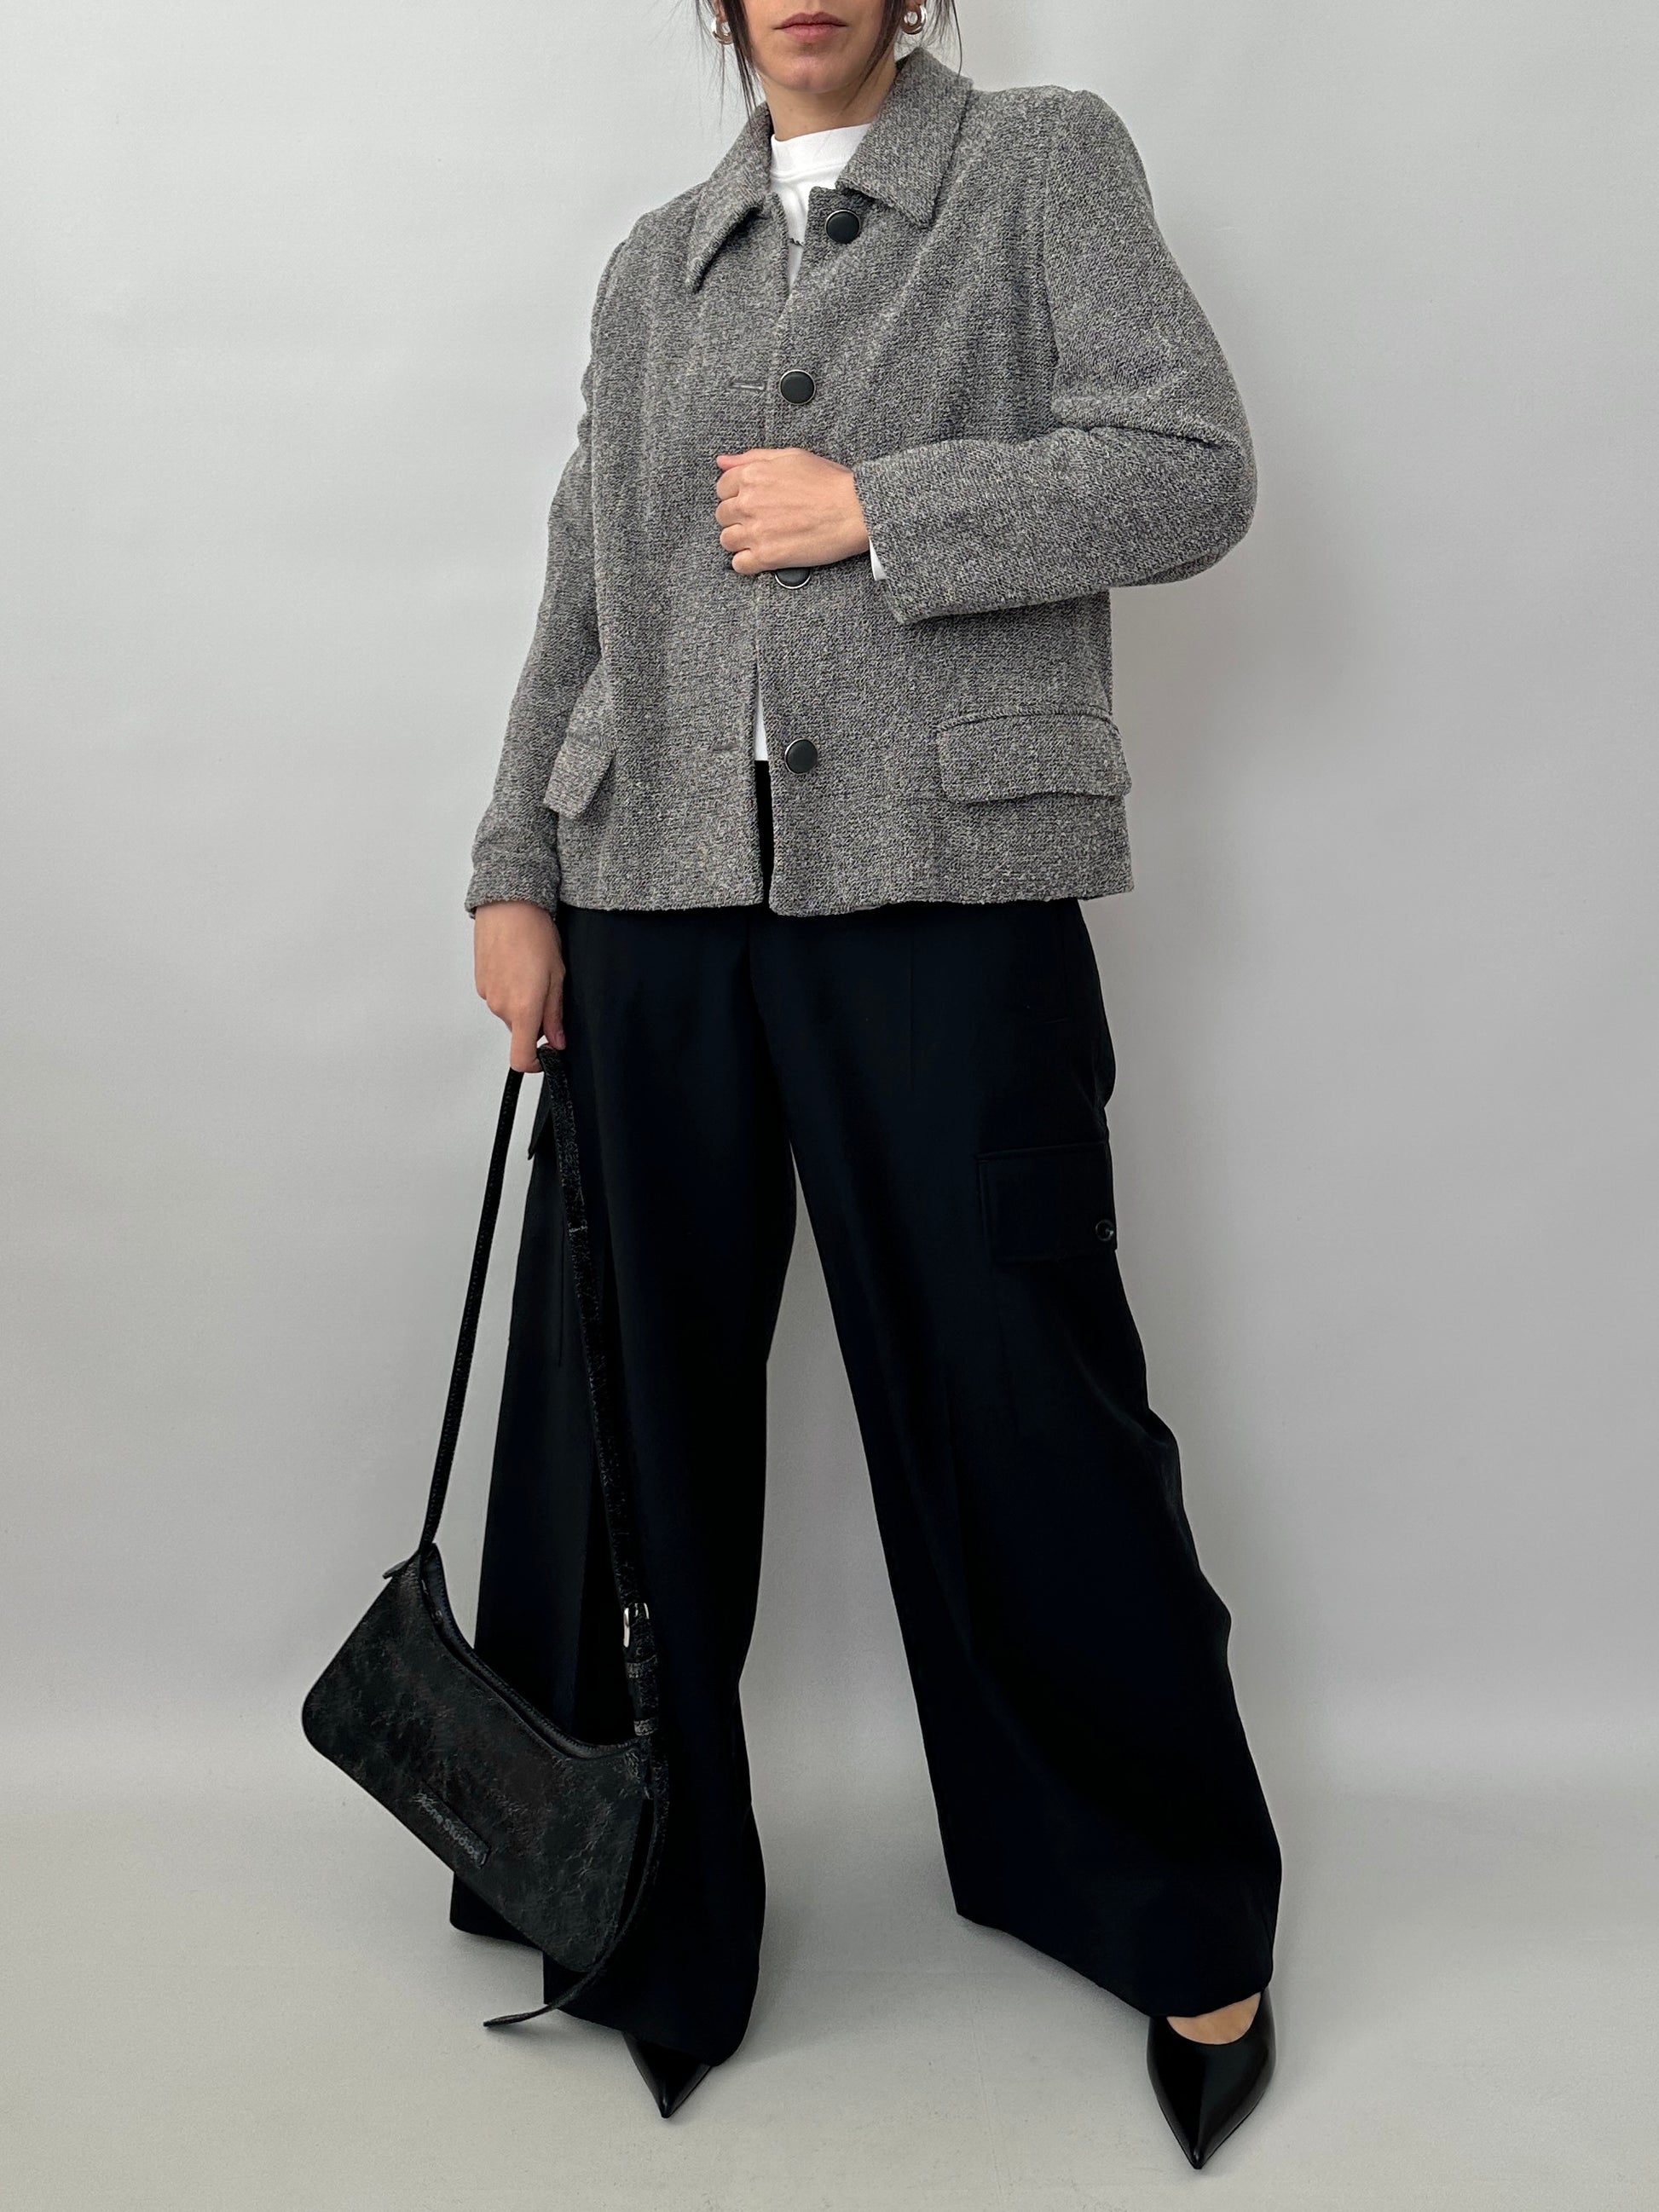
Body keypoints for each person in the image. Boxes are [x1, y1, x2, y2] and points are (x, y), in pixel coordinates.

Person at [457, 0, 1281, 2168]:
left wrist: (879, 512)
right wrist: (513, 866)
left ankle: (1168, 1900)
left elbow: (1191, 469)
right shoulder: (655, 260)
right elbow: (582, 578)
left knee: (1021, 1394)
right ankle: (628, 1893)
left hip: (943, 886)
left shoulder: (1039, 164)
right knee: (625, 1413)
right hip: (649, 897)